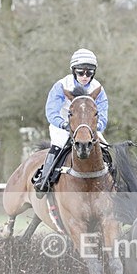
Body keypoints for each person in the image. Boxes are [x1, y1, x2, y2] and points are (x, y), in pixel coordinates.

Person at [33, 48, 109, 193]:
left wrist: (97, 126)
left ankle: (115, 181)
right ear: (74, 70)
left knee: (105, 148)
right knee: (59, 146)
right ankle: (44, 179)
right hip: (63, 125)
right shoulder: (62, 86)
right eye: (81, 72)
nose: (85, 76)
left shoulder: (98, 88)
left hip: (88, 128)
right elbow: (51, 111)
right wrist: (64, 124)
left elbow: (103, 113)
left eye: (90, 72)